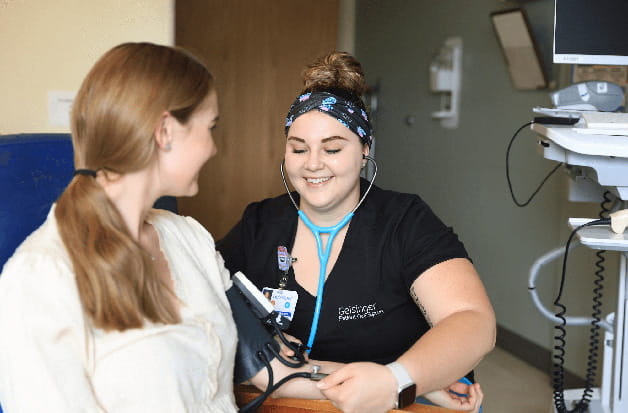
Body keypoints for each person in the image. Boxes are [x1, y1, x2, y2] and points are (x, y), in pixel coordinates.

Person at [217, 51, 496, 413]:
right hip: (294, 401)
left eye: (332, 148)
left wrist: (399, 381)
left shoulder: (404, 221)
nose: (313, 163)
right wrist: (259, 338)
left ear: (365, 150)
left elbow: (473, 322)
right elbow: (204, 293)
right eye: (298, 148)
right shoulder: (259, 224)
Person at [0, 43, 239, 412]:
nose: (213, 149)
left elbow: (256, 364)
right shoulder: (40, 277)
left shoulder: (189, 238)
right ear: (165, 131)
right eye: (210, 127)